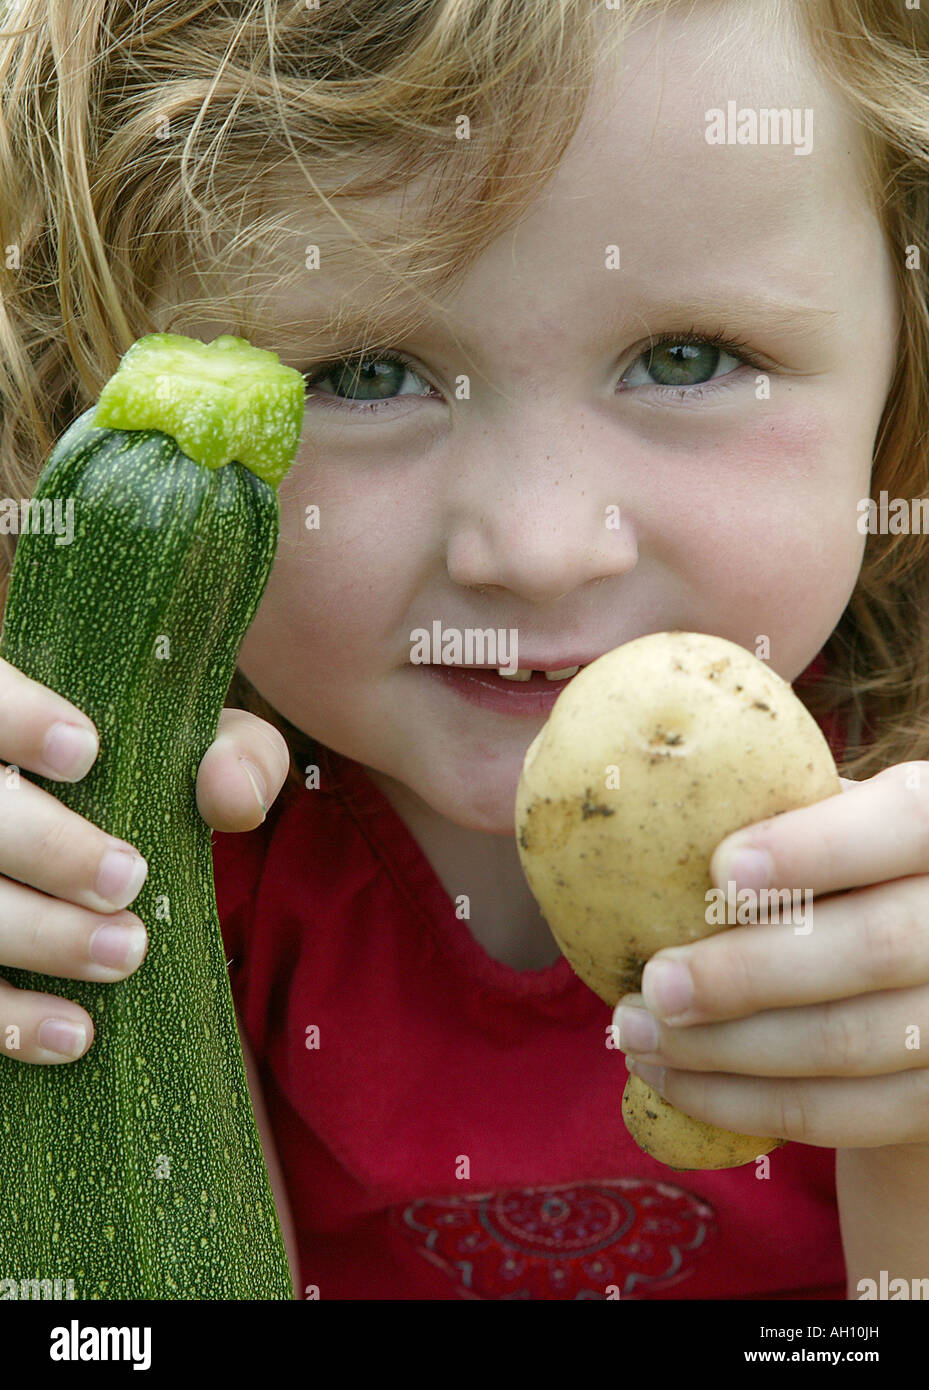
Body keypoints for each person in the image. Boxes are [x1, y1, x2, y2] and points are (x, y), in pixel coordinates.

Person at [1, 0, 928, 1301]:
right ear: (96, 378)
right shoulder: (103, 830)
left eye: (684, 357)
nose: (538, 544)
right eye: (367, 374)